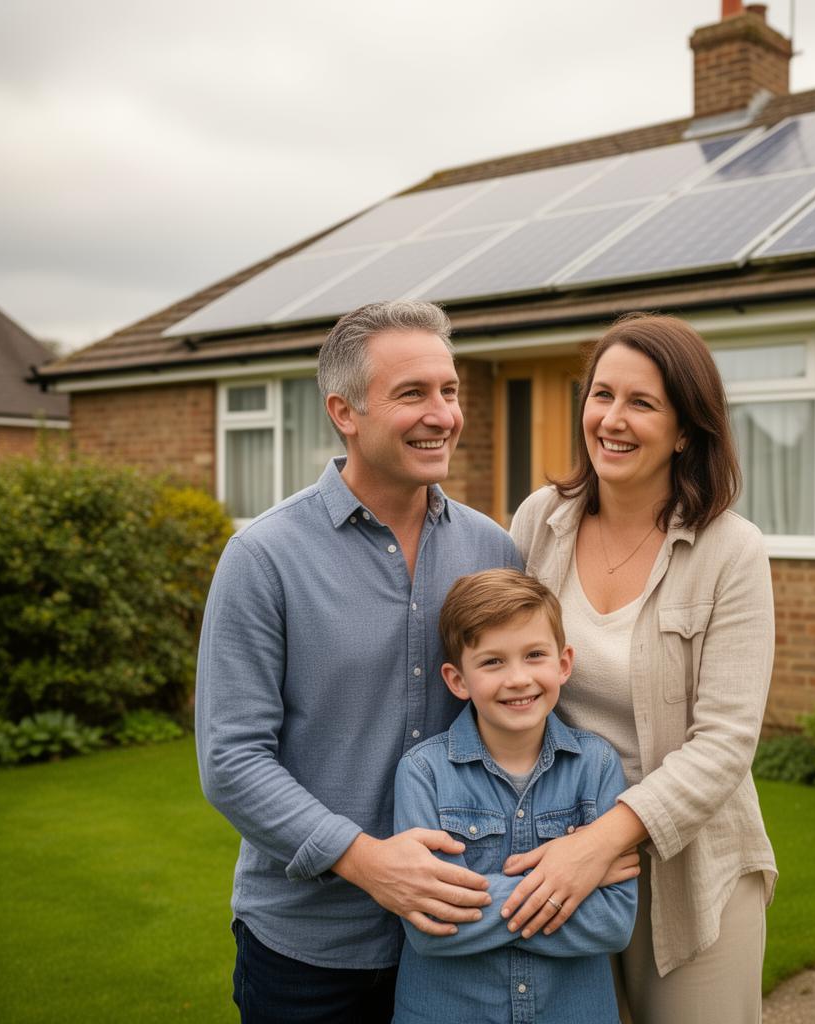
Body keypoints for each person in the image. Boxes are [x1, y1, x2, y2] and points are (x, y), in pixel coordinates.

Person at [195, 300, 523, 1024]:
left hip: (456, 938)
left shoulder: (492, 550)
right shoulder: (263, 558)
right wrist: (367, 862)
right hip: (306, 952)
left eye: (449, 390)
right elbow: (231, 759)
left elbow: (520, 719)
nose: (442, 414)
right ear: (344, 412)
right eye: (412, 393)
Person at [507, 313, 778, 1024]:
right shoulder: (540, 522)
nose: (612, 419)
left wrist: (600, 843)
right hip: (556, 848)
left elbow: (725, 743)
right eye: (602, 395)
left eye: (642, 403)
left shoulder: (731, 551)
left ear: (686, 430)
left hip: (691, 865)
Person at [392, 568, 638, 1024]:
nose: (519, 678)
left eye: (534, 655)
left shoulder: (598, 765)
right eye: (493, 662)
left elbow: (614, 923)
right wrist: (566, 887)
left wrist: (474, 904)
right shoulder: (423, 773)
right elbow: (431, 926)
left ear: (563, 663)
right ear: (457, 679)